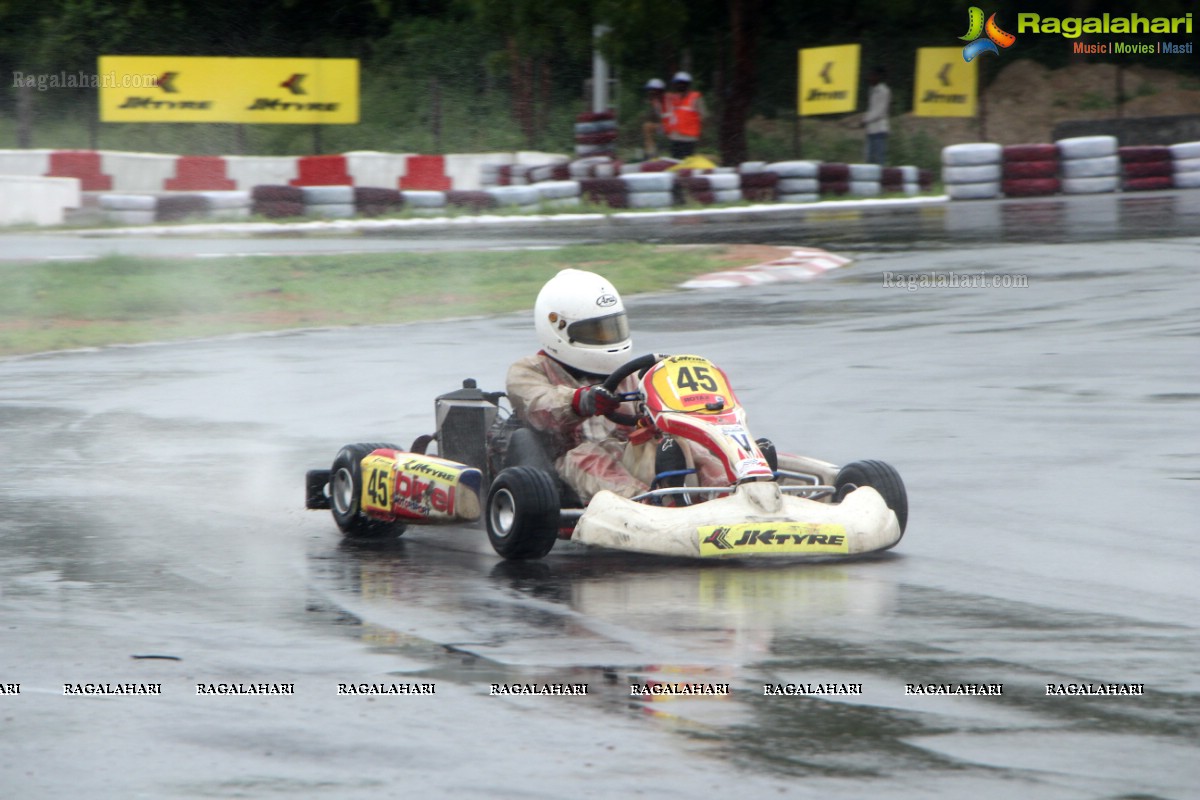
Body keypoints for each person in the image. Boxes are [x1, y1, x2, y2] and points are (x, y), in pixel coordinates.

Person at [663, 71, 707, 160]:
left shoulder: (695, 98)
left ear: (688, 85)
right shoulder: (673, 98)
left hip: (689, 139)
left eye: (682, 83)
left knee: (687, 165)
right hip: (675, 138)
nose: (680, 86)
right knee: (675, 164)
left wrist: (702, 134)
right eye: (678, 84)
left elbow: (703, 117)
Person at [862, 66, 891, 167]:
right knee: (869, 158)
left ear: (878, 77)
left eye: (872, 76)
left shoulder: (884, 91)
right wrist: (865, 119)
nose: (869, 78)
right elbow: (871, 108)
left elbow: (880, 111)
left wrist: (866, 120)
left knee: (879, 158)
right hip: (871, 130)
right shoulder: (871, 90)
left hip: (879, 129)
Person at [641, 78, 667, 160]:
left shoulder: (666, 100)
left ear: (659, 91)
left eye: (652, 90)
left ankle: (651, 153)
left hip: (670, 126)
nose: (650, 93)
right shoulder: (655, 102)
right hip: (663, 126)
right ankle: (651, 152)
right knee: (647, 126)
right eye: (649, 90)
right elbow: (656, 117)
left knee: (647, 127)